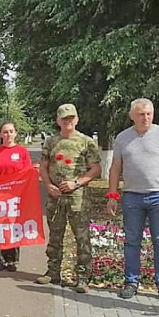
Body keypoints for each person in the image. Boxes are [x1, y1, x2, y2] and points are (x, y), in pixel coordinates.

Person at [106, 98, 159, 303]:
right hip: (131, 197)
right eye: (140, 114)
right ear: (132, 116)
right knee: (131, 241)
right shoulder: (122, 138)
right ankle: (131, 282)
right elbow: (115, 168)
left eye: (148, 113)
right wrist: (112, 195)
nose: (145, 117)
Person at [34, 104, 100, 293]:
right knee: (55, 236)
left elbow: (95, 169)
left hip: (77, 197)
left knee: (81, 238)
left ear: (77, 120)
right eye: (64, 118)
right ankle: (53, 272)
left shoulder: (86, 142)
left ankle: (83, 277)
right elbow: (43, 167)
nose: (68, 121)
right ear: (58, 121)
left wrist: (76, 183)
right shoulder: (51, 142)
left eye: (71, 118)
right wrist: (47, 186)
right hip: (55, 197)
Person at [0, 122, 32, 272]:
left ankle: (12, 260)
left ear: (16, 133)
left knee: (14, 226)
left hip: (15, 197)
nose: (8, 134)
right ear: (0, 134)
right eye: (5, 132)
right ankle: (1, 260)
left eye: (11, 131)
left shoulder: (22, 152)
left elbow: (27, 174)